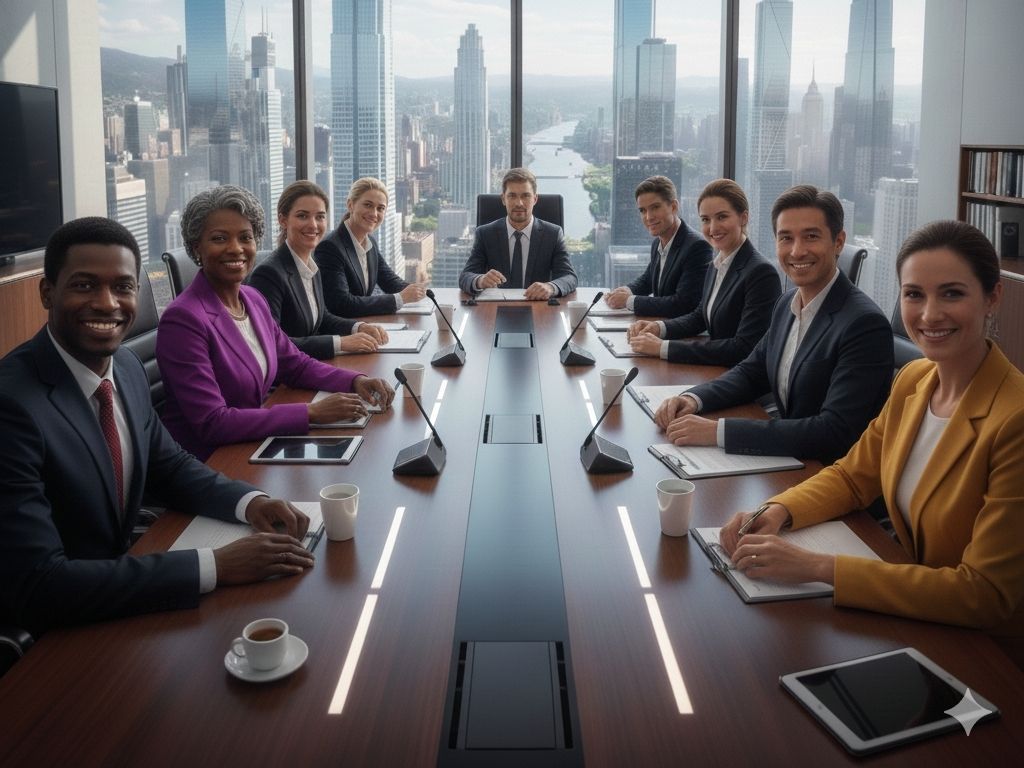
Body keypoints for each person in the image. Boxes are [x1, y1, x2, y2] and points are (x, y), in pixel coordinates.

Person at [719, 220, 1024, 664]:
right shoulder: (916, 379)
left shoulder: (1014, 420)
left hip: (986, 655)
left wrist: (818, 568)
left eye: (952, 293)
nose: (929, 314)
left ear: (992, 297)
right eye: (914, 294)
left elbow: (984, 594)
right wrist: (778, 511)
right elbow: (851, 477)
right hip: (911, 616)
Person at [0, 218, 315, 636]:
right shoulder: (12, 405)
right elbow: (40, 585)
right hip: (56, 633)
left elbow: (170, 467)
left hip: (124, 595)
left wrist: (250, 502)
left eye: (123, 287)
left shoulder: (126, 367)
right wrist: (216, 565)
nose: (108, 303)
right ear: (47, 292)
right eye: (84, 285)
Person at [654, 185, 892, 465]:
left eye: (811, 237)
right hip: (788, 460)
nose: (797, 251)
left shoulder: (864, 325)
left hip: (827, 473)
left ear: (838, 241)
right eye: (786, 238)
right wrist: (694, 399)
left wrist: (718, 431)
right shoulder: (787, 303)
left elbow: (834, 431)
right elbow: (751, 372)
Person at [157, 185, 394, 461]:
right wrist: (311, 413)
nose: (236, 248)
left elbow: (294, 364)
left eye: (245, 237)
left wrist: (355, 381)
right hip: (210, 461)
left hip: (254, 443)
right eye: (220, 238)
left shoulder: (252, 299)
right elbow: (212, 422)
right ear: (196, 246)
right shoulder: (183, 320)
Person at [627, 179, 780, 365]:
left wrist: (663, 347)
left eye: (722, 217)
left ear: (743, 218)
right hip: (716, 370)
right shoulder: (716, 265)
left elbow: (743, 348)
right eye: (706, 220)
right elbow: (700, 317)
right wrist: (658, 328)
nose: (713, 228)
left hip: (737, 379)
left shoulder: (761, 273)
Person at [248, 180, 390, 359]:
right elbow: (272, 345)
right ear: (283, 219)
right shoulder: (268, 274)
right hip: (286, 381)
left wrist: (358, 327)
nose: (313, 225)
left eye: (320, 217)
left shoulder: (310, 265)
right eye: (302, 216)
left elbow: (321, 317)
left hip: (314, 365)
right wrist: (341, 343)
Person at [458, 167, 578, 299]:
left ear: (535, 199)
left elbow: (569, 277)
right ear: (503, 199)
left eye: (525, 196)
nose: (519, 203)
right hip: (496, 310)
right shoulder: (485, 234)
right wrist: (480, 280)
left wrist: (550, 287)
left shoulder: (553, 234)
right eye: (512, 196)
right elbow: (466, 276)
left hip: (539, 309)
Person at [314, 176, 426, 317]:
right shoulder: (330, 247)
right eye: (368, 205)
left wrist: (417, 290)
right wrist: (401, 298)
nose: (374, 213)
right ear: (350, 205)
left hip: (362, 325)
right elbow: (341, 304)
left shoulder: (369, 242)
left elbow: (389, 281)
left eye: (380, 208)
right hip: (342, 332)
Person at [604, 175, 712, 317]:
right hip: (659, 324)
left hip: (683, 334)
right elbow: (649, 279)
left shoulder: (697, 247)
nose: (648, 217)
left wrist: (629, 301)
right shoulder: (658, 242)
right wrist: (625, 291)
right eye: (642, 210)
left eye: (655, 207)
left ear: (673, 207)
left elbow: (683, 304)